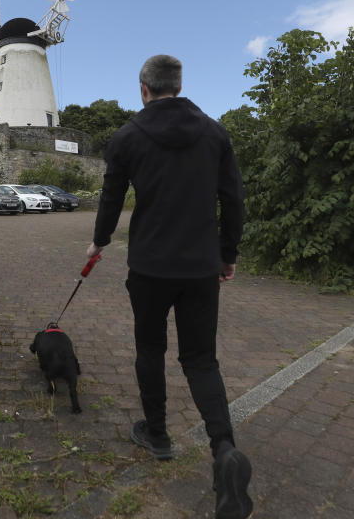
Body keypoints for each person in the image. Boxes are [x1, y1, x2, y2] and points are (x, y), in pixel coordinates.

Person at [87, 54, 252, 519]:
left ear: (144, 87)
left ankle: (157, 434)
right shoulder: (214, 132)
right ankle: (224, 449)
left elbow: (112, 195)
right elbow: (233, 197)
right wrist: (228, 253)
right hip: (201, 267)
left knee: (150, 348)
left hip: (150, 267)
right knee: (201, 359)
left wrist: (99, 242)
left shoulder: (128, 136)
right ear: (178, 86)